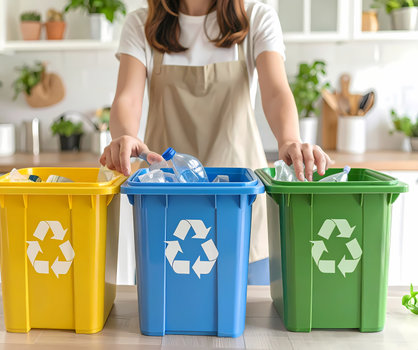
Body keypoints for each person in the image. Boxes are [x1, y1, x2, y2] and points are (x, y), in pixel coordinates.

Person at [100, 0, 332, 270]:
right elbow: (127, 98)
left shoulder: (256, 17)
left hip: (240, 203)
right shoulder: (141, 24)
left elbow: (276, 92)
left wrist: (290, 139)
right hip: (165, 203)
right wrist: (126, 136)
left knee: (251, 311)